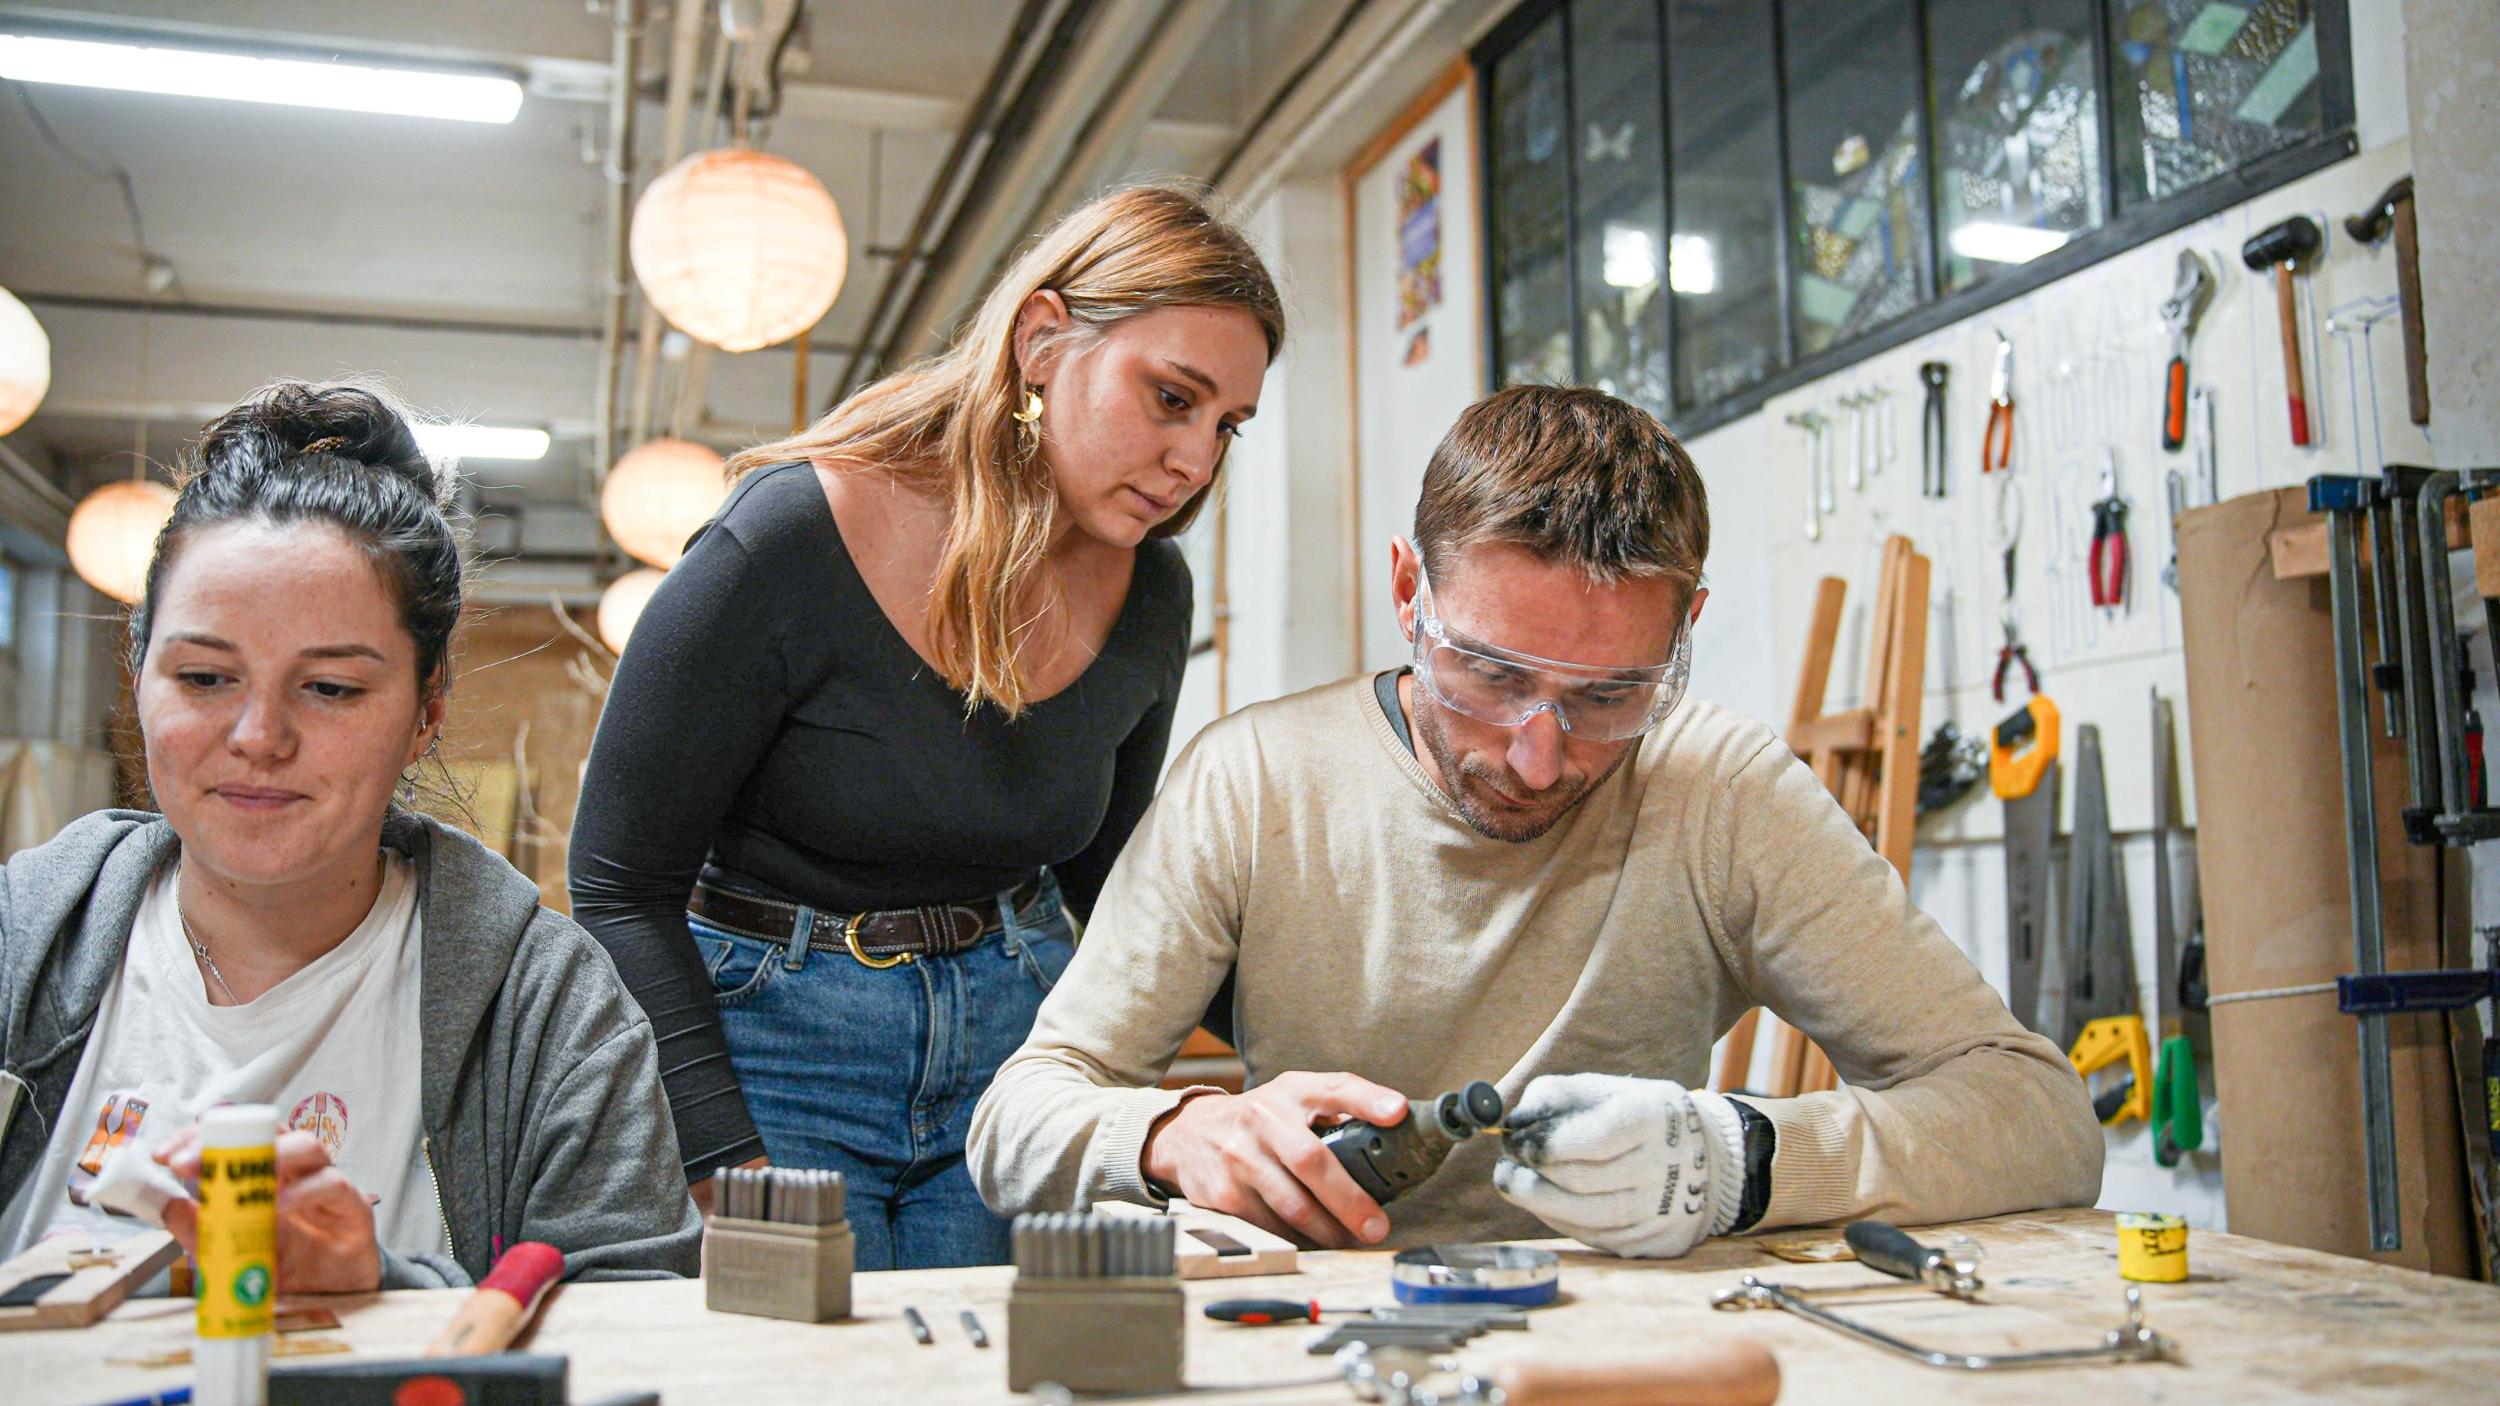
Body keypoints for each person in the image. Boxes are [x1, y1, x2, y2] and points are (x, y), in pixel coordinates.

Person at [968, 384, 2102, 1254]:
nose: (1539, 753)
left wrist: (1742, 1160)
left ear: (1686, 625)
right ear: (1409, 590)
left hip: (1628, 1348)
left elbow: (2040, 1117)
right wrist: (1171, 1136)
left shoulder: (1722, 790)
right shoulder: (1255, 779)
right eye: (1491, 676)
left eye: (1612, 695)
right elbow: (1015, 1120)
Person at [569, 185, 1282, 1269]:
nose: (1195, 461)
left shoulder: (1153, 592)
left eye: (1225, 426)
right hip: (773, 1043)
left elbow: (1113, 881)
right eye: (1170, 398)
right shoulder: (791, 537)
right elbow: (618, 883)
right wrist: (718, 1152)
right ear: (1043, 340)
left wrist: (1298, 1046)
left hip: (1021, 1043)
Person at [0, 381, 701, 1289]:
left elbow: (634, 1329)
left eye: (330, 689)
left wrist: (385, 1289)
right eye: (205, 677)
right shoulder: (24, 946)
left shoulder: (545, 1006)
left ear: (425, 711)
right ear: (139, 675)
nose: (258, 738)